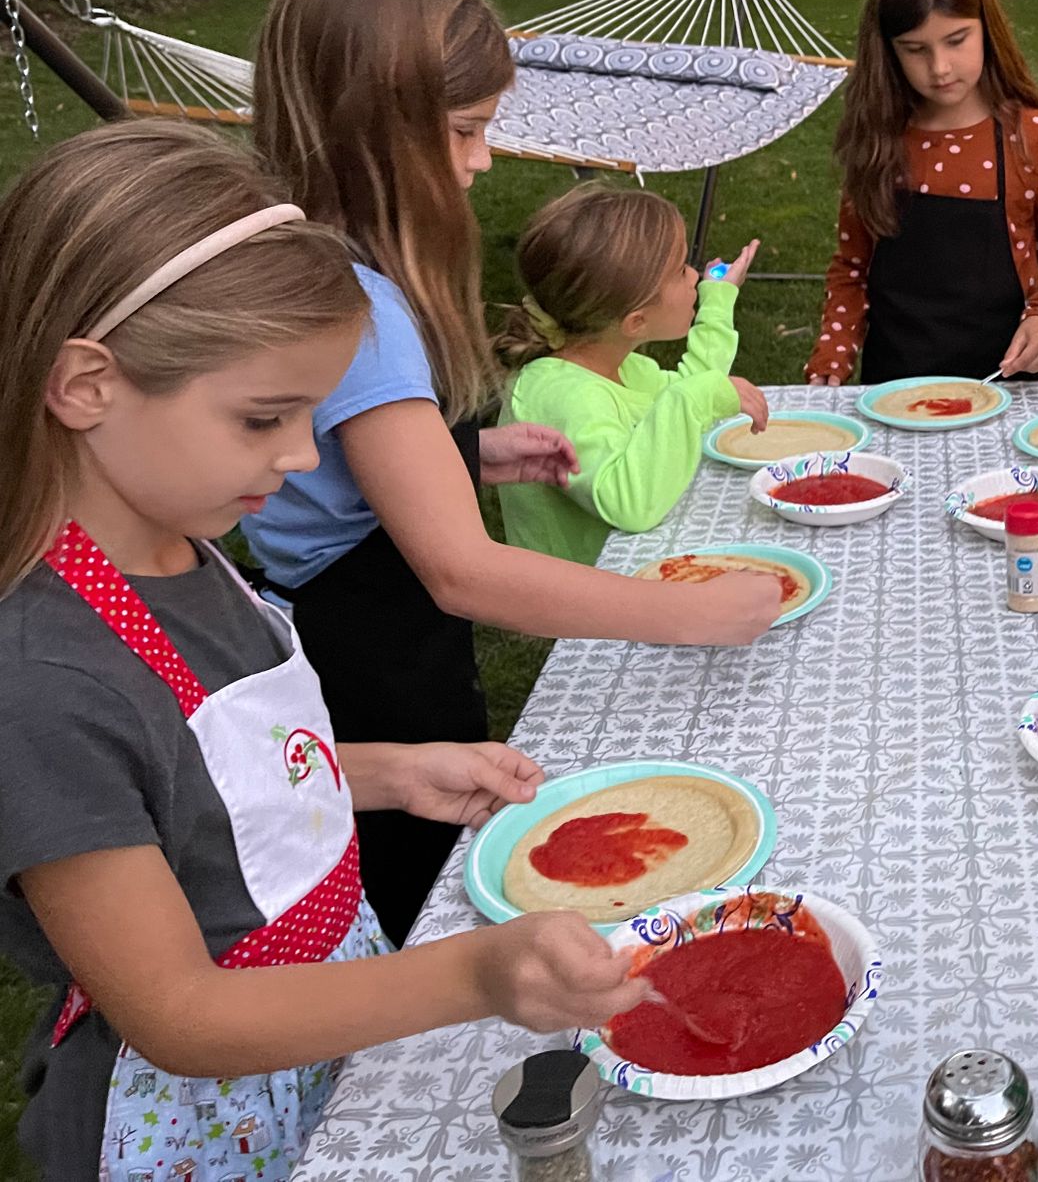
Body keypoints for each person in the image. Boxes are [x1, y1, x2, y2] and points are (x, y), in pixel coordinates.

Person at [0, 122, 645, 1182]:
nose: (302, 457)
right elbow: (182, 1013)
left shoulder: (186, 550)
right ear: (87, 385)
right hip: (209, 1118)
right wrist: (476, 976)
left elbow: (206, 783)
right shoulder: (44, 681)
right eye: (264, 418)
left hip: (327, 1012)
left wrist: (385, 772)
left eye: (308, 414)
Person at [244, 0, 780, 942]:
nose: (483, 159)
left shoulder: (308, 261)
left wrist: (469, 458)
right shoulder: (359, 305)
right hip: (372, 649)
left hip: (342, 626)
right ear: (373, 121)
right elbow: (460, 574)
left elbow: (336, 460)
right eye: (464, 130)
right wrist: (687, 613)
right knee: (418, 884)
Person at [805, 0, 1038, 386]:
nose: (940, 67)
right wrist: (832, 358)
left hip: (1002, 400)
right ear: (887, 49)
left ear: (987, 27)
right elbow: (852, 268)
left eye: (957, 40)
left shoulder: (1031, 138)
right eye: (916, 49)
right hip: (891, 399)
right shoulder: (880, 140)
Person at [495, 183, 769, 565]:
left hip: (626, 584)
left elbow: (688, 401)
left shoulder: (619, 366)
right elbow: (628, 501)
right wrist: (696, 397)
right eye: (680, 271)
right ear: (636, 322)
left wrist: (718, 300)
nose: (694, 276)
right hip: (575, 616)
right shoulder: (564, 395)